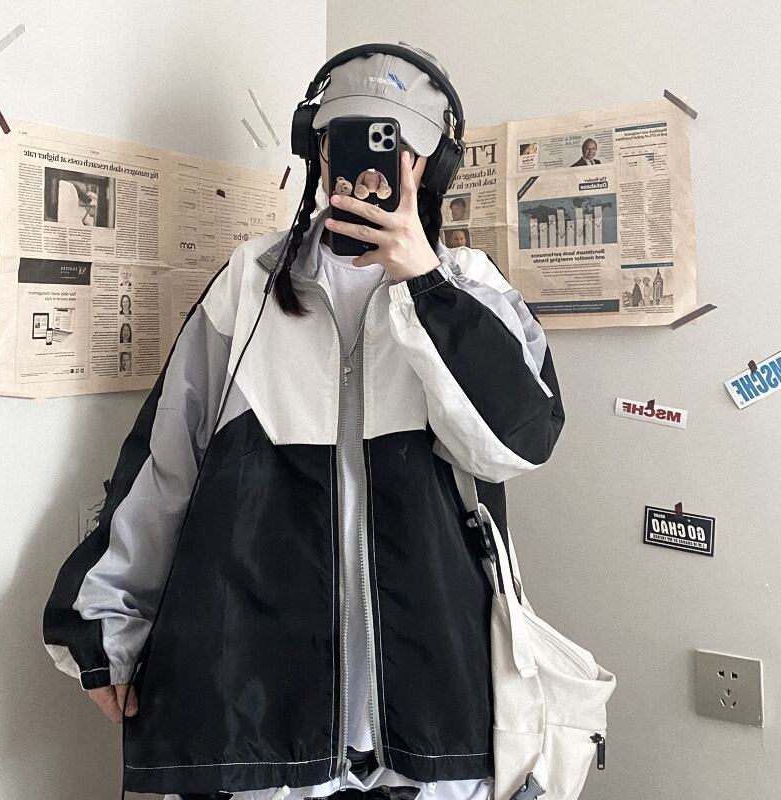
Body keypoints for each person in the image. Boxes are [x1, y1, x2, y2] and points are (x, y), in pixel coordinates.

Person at [42, 42, 565, 800]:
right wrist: (106, 626)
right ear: (317, 151)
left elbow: (519, 444)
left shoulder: (471, 289)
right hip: (260, 695)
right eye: (343, 139)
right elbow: (164, 466)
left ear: (432, 165)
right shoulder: (247, 284)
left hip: (437, 695)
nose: (368, 167)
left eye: (396, 144)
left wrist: (426, 286)